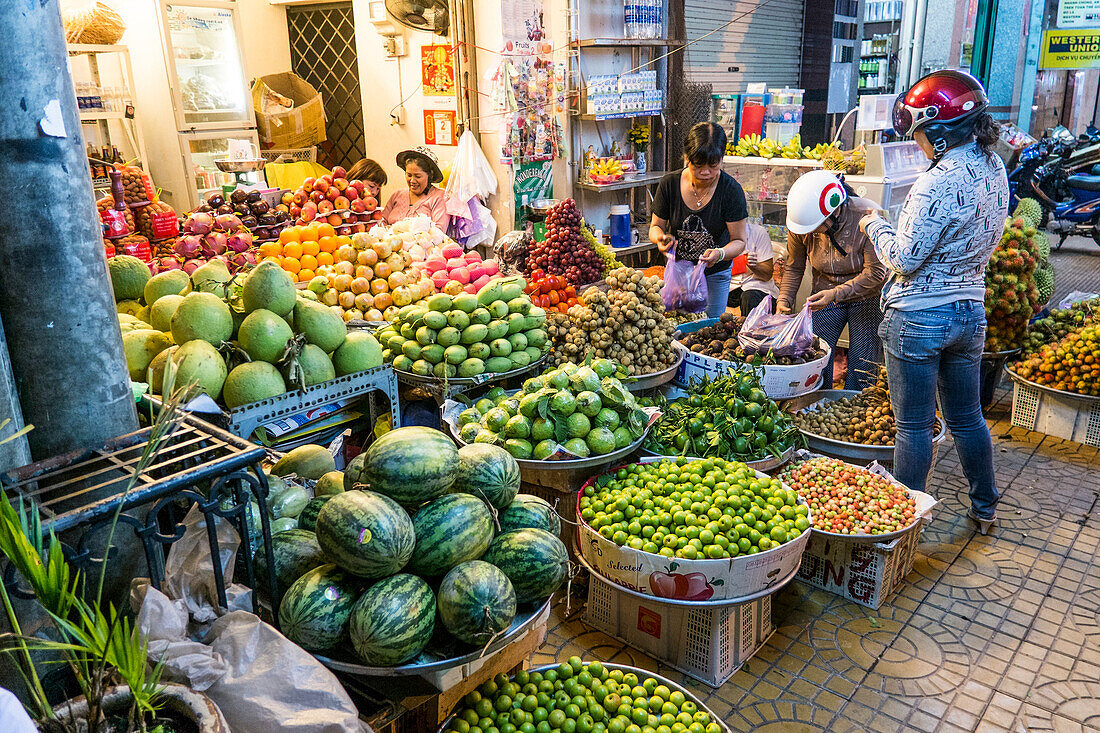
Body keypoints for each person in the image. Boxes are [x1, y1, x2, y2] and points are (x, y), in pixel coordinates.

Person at [858, 70, 1007, 532]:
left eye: (920, 132)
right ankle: (984, 507)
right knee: (967, 418)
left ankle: (901, 528)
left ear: (940, 132)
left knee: (914, 428)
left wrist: (872, 223)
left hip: (920, 318)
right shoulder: (994, 166)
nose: (918, 142)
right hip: (970, 312)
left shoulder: (938, 180)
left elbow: (903, 257)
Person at [779, 170, 887, 390]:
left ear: (835, 209)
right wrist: (784, 301)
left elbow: (876, 274)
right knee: (816, 358)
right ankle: (815, 402)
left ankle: (857, 408)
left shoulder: (866, 216)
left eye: (818, 226)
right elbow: (794, 265)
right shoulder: (802, 222)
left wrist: (835, 294)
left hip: (867, 296)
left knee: (863, 365)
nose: (814, 232)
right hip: (823, 292)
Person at [650, 122, 748, 318]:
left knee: (708, 329)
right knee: (674, 326)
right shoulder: (669, 183)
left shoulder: (731, 191)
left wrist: (719, 254)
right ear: (686, 158)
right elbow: (655, 227)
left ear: (722, 158)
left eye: (713, 165)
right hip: (677, 273)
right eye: (698, 165)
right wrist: (661, 239)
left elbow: (739, 241)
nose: (705, 172)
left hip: (714, 276)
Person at [382, 146, 451, 231]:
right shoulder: (397, 195)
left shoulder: (439, 197)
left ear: (430, 175)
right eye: (409, 175)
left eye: (417, 176)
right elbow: (381, 221)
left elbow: (439, 231)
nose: (412, 181)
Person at [730, 222, 778, 315]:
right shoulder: (715, 236)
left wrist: (755, 266)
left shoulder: (758, 233)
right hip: (729, 288)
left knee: (749, 297)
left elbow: (767, 275)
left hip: (756, 288)